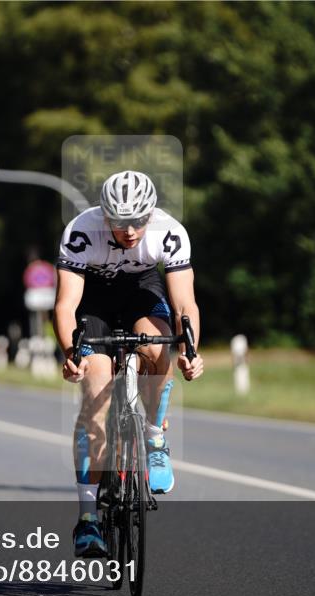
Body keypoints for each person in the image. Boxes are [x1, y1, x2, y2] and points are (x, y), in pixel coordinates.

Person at [54, 170, 205, 557]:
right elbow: (66, 304)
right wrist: (72, 355)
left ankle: (154, 438)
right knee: (96, 391)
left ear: (150, 214)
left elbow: (185, 303)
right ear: (105, 215)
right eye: (121, 222)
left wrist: (189, 348)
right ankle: (88, 519)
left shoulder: (168, 232)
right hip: (95, 300)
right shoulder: (81, 231)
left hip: (141, 293)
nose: (131, 230)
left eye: (139, 220)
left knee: (158, 350)